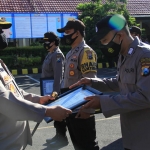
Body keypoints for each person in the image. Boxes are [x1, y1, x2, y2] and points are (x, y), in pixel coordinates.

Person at [70, 14, 150, 150]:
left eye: (105, 40)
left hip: (145, 137)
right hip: (130, 135)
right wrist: (93, 82)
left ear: (120, 35)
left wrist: (103, 102)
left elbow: (145, 97)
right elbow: (121, 82)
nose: (103, 44)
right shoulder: (124, 55)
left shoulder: (144, 56)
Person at [0, 20, 72, 150]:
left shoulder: (56, 55)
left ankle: (61, 136)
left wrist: (37, 99)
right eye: (3, 30)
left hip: (11, 141)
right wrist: (46, 111)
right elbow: (4, 99)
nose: (9, 33)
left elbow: (15, 92)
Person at [46, 19, 100, 150]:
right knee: (78, 146)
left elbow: (90, 82)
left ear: (78, 33)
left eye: (68, 32)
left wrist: (87, 109)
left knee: (87, 146)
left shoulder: (86, 52)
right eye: (64, 33)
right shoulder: (71, 52)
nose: (65, 35)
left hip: (82, 109)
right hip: (71, 107)